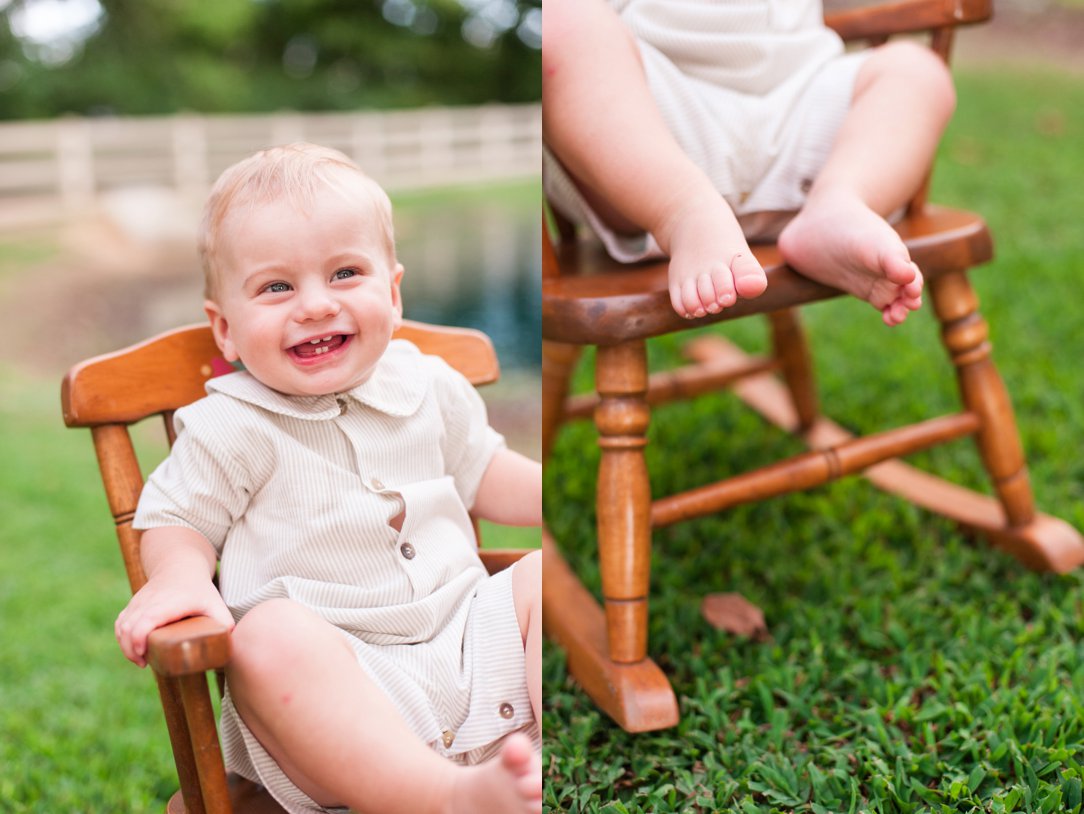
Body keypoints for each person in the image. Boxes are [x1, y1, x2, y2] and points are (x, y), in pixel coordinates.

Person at [114, 143, 543, 814]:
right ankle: (446, 797)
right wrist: (180, 578)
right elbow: (177, 519)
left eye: (345, 273)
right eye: (276, 287)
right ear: (225, 329)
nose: (315, 306)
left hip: (471, 648)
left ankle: (536, 752)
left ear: (392, 294)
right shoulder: (231, 425)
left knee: (542, 575)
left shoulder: (428, 383)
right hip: (343, 700)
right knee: (266, 638)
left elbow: (484, 470)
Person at [543, 0, 957, 325]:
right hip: (658, 129)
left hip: (800, 108)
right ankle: (686, 212)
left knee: (917, 69)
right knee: (561, 18)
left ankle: (840, 202)